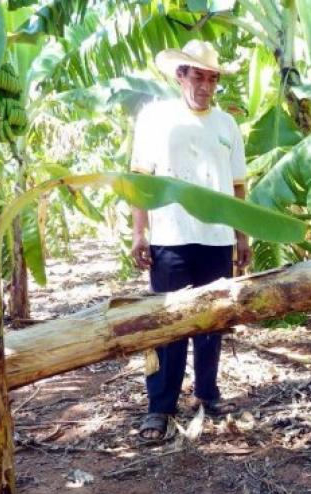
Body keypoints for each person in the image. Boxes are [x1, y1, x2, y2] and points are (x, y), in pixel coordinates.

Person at [129, 39, 250, 442]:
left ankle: (208, 392)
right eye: (198, 75)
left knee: (212, 322)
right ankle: (159, 406)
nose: (206, 85)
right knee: (168, 326)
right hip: (170, 238)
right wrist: (139, 232)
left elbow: (237, 187)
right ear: (181, 75)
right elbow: (140, 181)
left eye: (212, 78)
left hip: (216, 239)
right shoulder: (156, 118)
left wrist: (241, 237)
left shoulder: (226, 124)